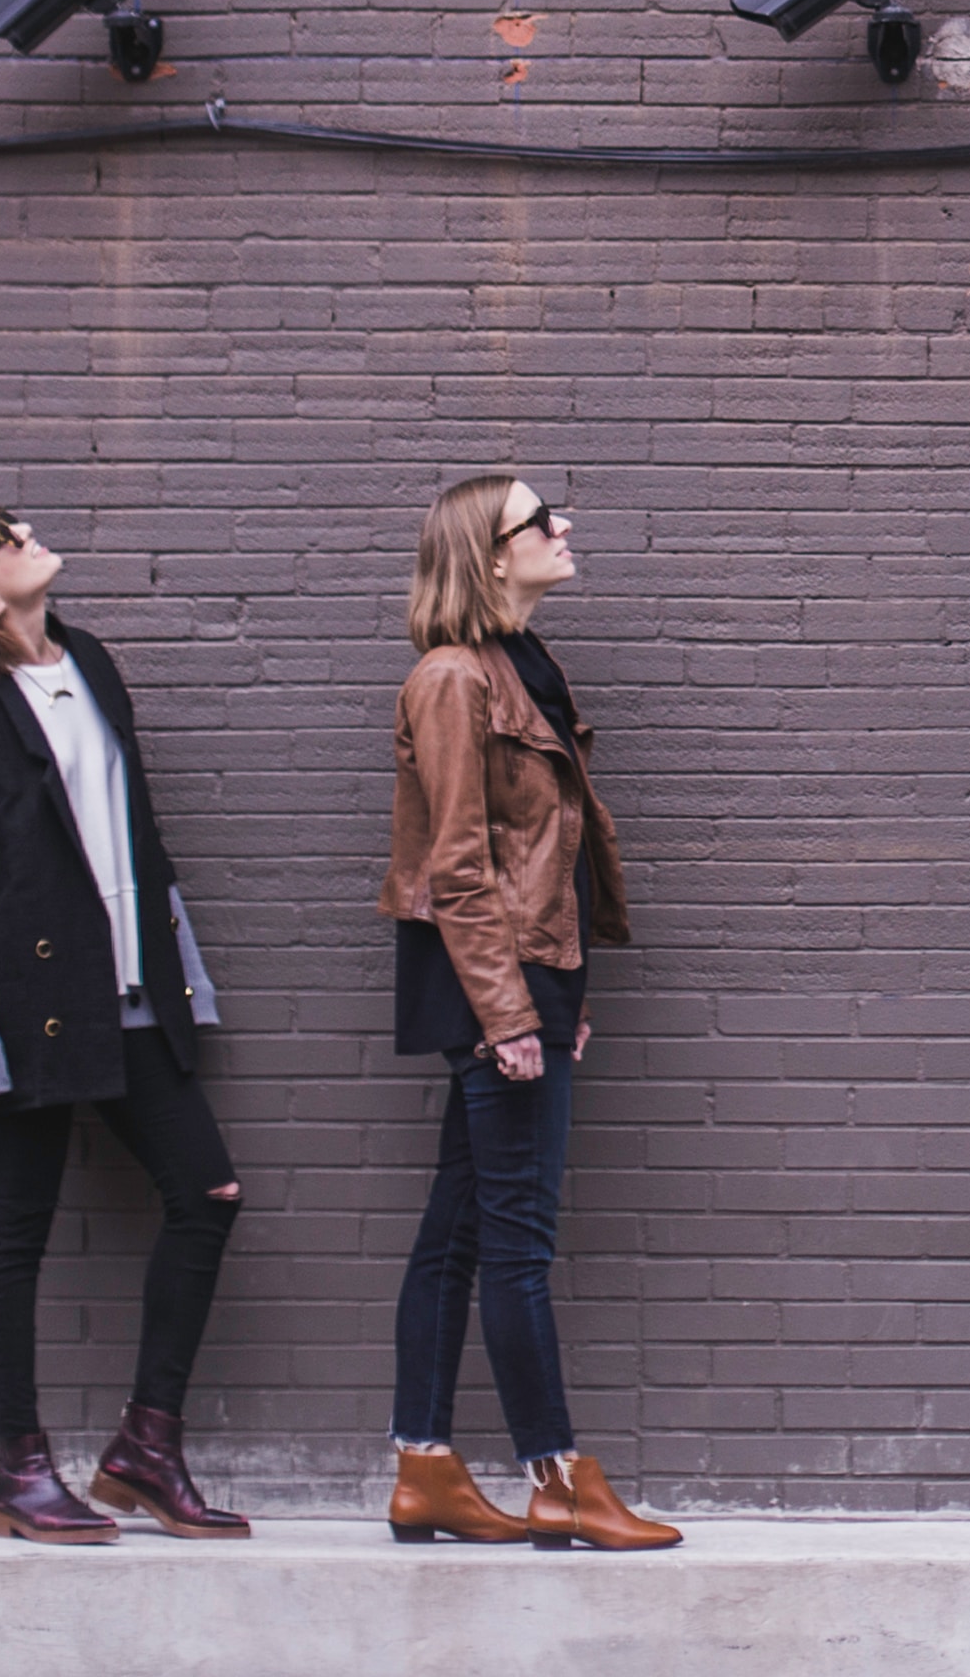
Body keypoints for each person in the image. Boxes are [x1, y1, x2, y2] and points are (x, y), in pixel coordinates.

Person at [0, 506, 250, 1544]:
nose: (26, 529)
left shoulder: (89, 661)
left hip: (134, 993)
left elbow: (138, 832)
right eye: (3, 535)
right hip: (28, 1013)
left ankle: (145, 1448)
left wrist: (187, 977)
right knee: (18, 1231)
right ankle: (20, 1470)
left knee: (209, 1193)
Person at [379, 470, 678, 1553]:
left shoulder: (520, 664)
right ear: (489, 553)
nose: (566, 525)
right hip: (489, 985)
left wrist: (562, 992)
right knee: (518, 1241)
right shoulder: (454, 680)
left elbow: (543, 859)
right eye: (540, 519)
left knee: (457, 1234)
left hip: (522, 978)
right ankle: (557, 1476)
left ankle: (423, 1468)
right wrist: (512, 1012)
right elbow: (458, 867)